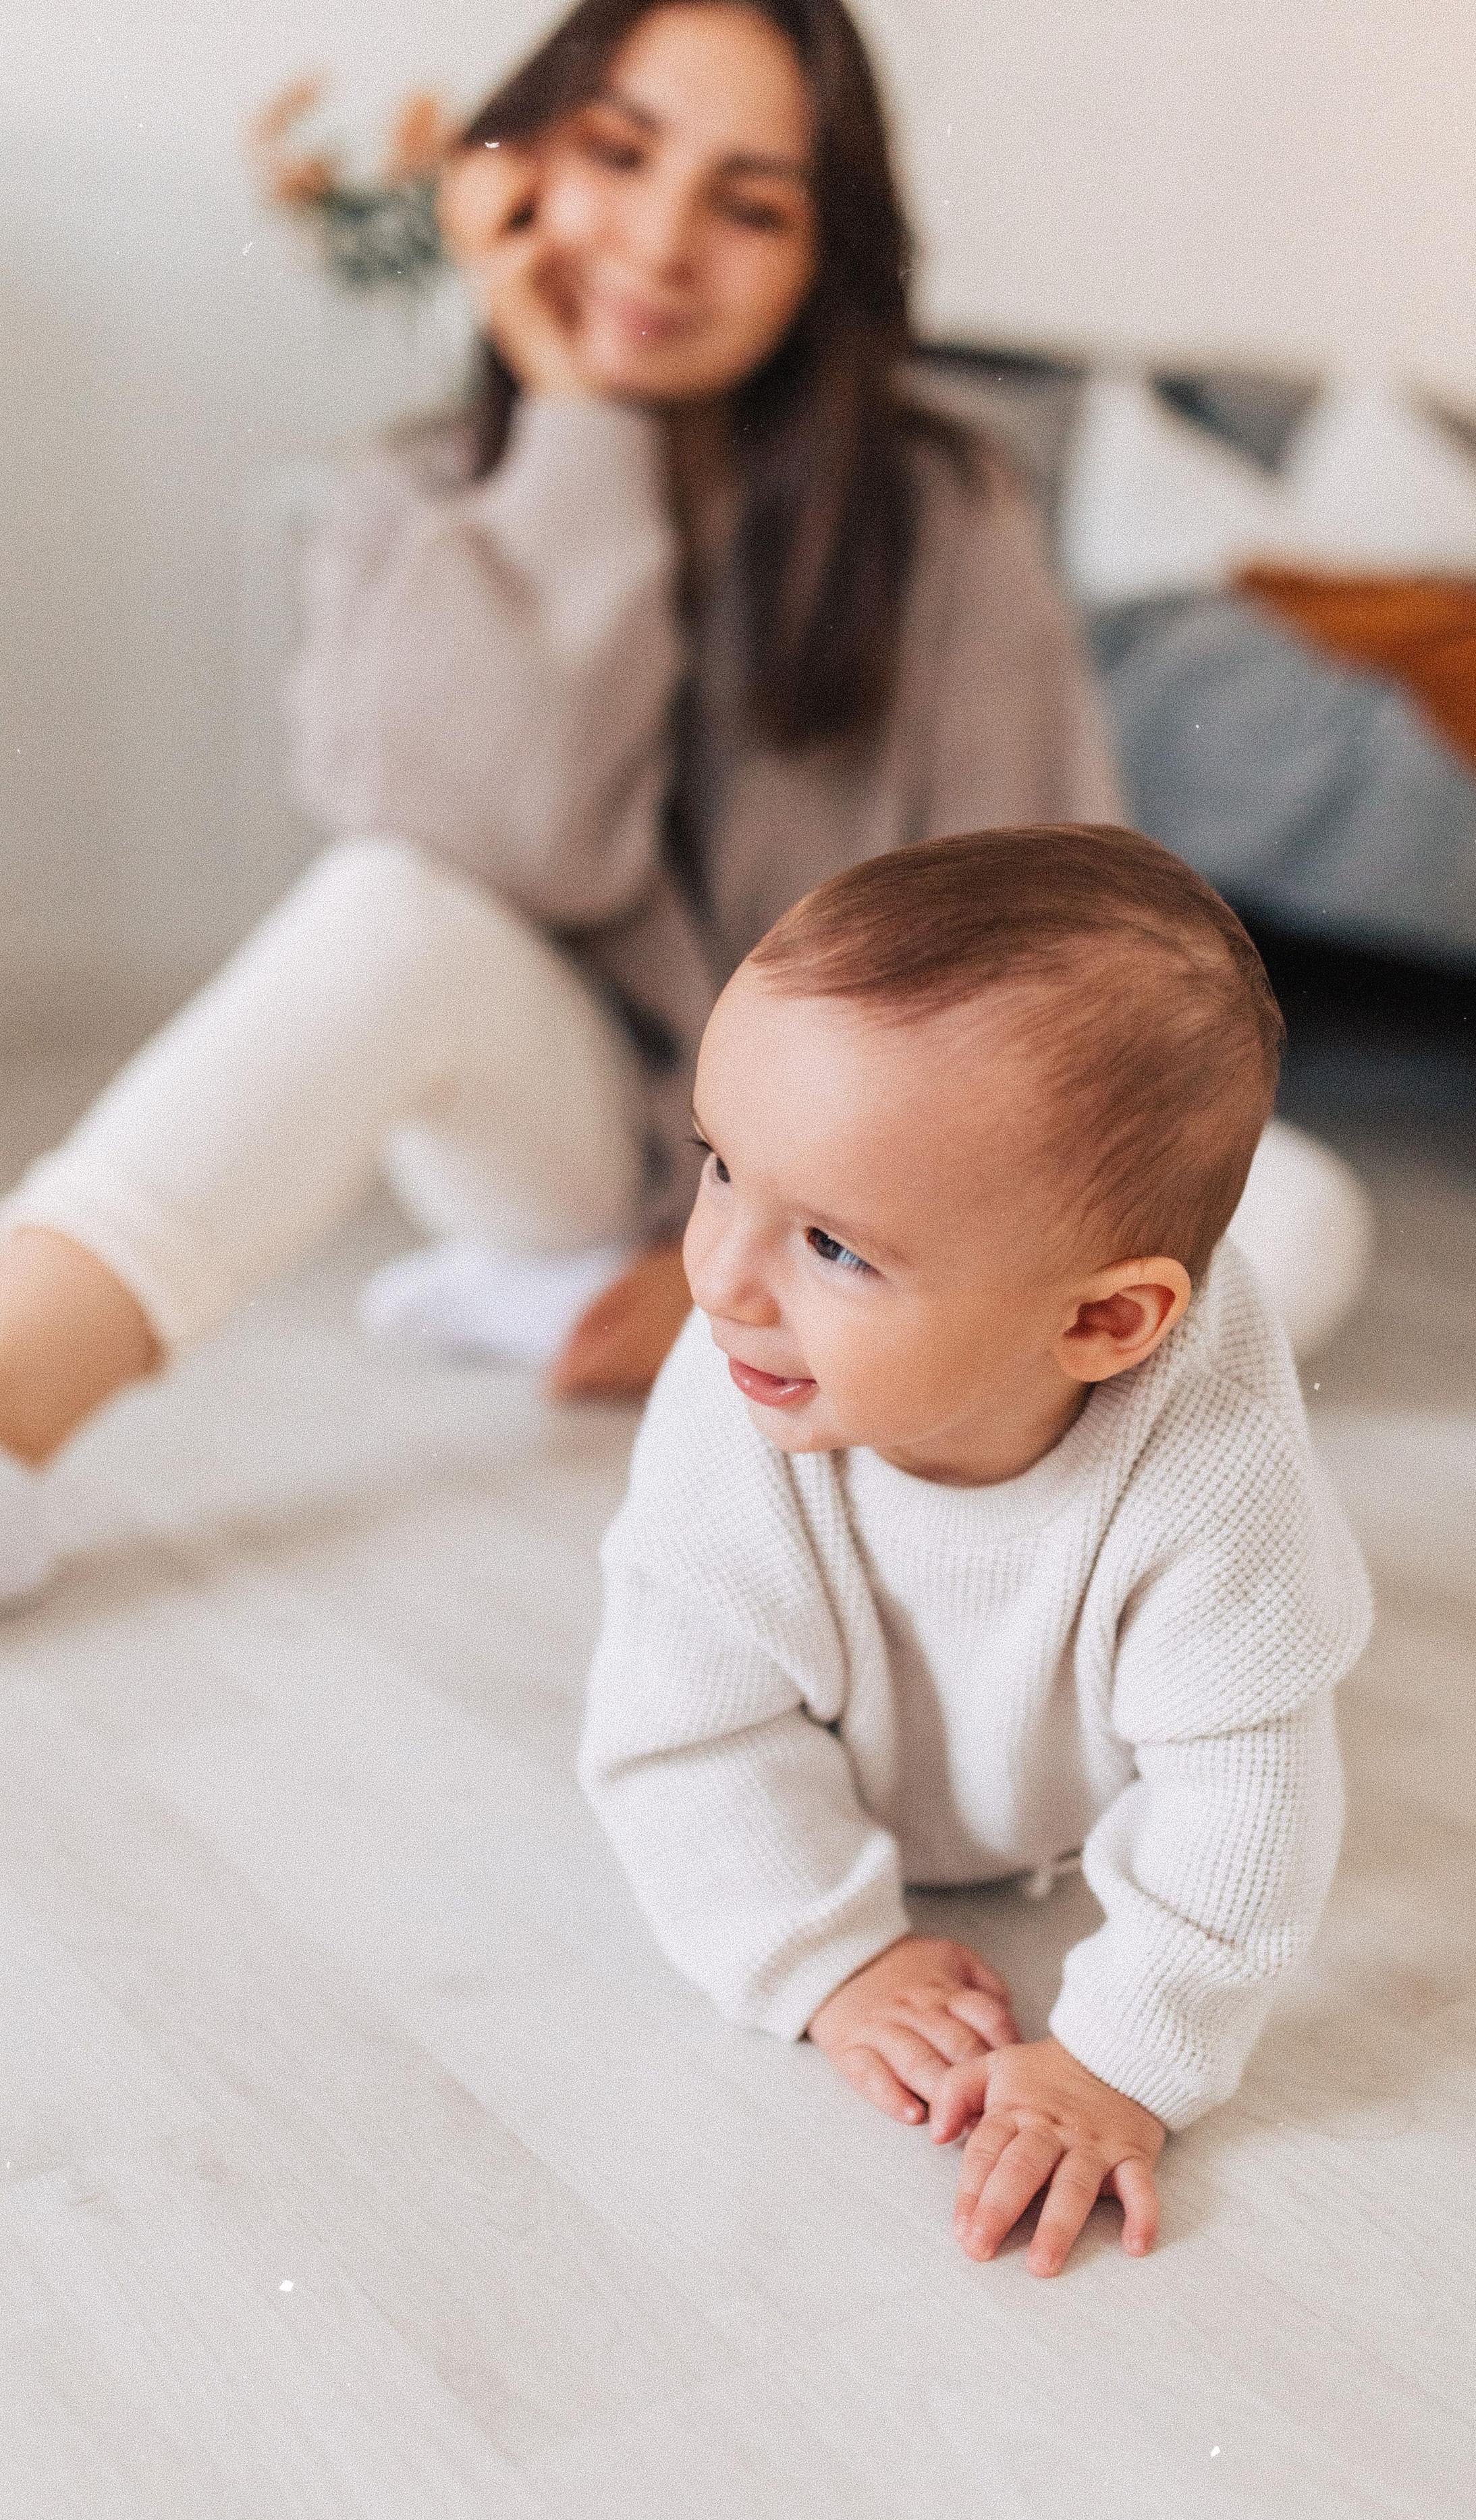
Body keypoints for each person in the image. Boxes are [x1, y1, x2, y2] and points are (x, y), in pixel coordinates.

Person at [0, 0, 1370, 1610]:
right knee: (391, 902)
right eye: (618, 155)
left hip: (873, 1193)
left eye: (750, 201)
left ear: (820, 255)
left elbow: (1045, 939)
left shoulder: (943, 513)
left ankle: (701, 1332)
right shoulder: (413, 505)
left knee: (1292, 1203)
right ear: (513, 177)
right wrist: (576, 427)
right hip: (566, 1133)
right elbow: (497, 850)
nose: (658, 243)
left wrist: (754, 1245)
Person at [580, 824, 1373, 2278]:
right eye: (715, 1167)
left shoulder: (1210, 1478)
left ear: (1101, 1325)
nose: (716, 1277)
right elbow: (679, 1735)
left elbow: (1248, 1796)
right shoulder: (733, 1403)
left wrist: (1126, 2057)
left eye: (830, 1245)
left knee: (1246, 1671)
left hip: (1104, 1748)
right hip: (846, 1766)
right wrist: (825, 1956)